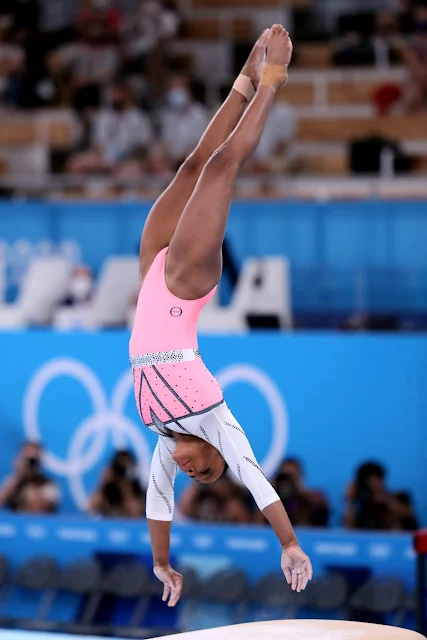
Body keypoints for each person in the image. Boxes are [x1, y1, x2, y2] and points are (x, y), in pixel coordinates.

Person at [129, 25, 313, 607]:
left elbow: (158, 502)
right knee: (222, 168)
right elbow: (255, 479)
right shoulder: (212, 417)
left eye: (195, 478)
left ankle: (241, 85)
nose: (193, 474)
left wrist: (162, 563)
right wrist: (288, 544)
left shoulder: (163, 437)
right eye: (208, 473)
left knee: (191, 168)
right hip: (184, 288)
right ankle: (274, 79)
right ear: (214, 451)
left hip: (150, 277)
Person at [67, 79, 152, 175]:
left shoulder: (140, 118)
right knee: (75, 164)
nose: (114, 97)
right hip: (102, 158)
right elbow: (95, 142)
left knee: (128, 172)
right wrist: (103, 158)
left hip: (127, 160)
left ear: (127, 94)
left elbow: (142, 148)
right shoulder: (103, 116)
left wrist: (122, 162)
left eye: (117, 93)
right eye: (113, 93)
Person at [344, 461, 418, 531]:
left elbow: (409, 513)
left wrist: (385, 499)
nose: (372, 484)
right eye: (368, 481)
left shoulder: (399, 496)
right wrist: (350, 501)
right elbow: (349, 530)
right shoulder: (361, 503)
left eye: (375, 479)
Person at [158, 74, 210, 167]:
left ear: (188, 90)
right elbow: (165, 142)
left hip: (194, 161)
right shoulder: (167, 115)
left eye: (179, 87)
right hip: (172, 161)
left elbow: (202, 144)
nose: (176, 91)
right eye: (173, 87)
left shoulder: (199, 114)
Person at [0, 442, 60, 513]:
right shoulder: (13, 482)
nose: (30, 463)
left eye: (34, 460)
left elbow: (39, 510)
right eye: (27, 459)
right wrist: (18, 476)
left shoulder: (49, 484)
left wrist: (32, 484)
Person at [272, 458, 330, 527]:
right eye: (285, 476)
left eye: (292, 476)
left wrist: (300, 489)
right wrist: (270, 492)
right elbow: (258, 523)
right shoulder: (273, 497)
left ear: (300, 475)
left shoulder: (313, 495)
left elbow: (322, 506)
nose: (288, 480)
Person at [89, 449, 146, 518]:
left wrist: (126, 488)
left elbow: (136, 513)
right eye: (121, 467)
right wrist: (103, 483)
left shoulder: (137, 488)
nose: (123, 471)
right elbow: (89, 507)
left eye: (126, 467)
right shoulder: (108, 488)